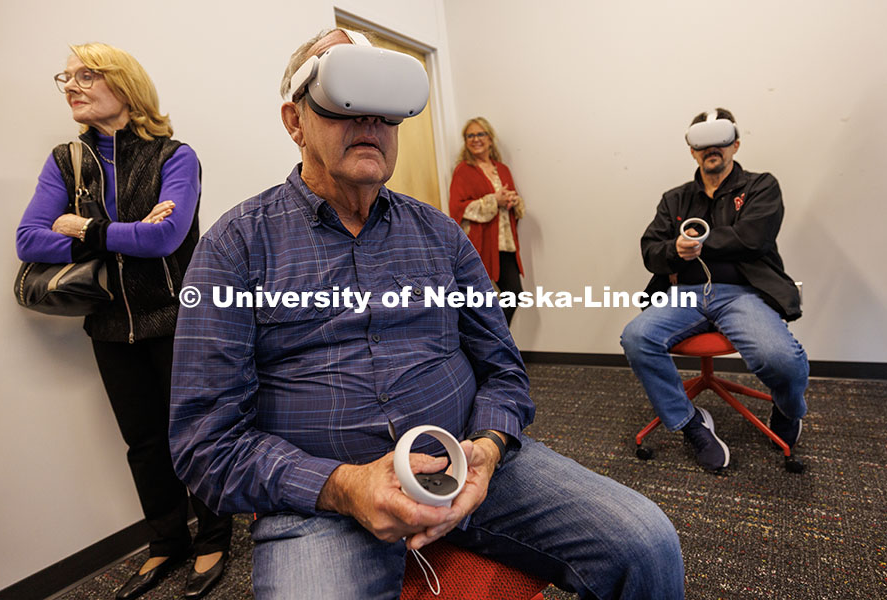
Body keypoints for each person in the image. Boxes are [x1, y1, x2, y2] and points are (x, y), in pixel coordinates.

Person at [168, 29, 684, 600]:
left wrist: (487, 450)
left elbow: (504, 370)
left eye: (386, 111)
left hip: (470, 463)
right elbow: (205, 441)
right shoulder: (235, 249)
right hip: (322, 503)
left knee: (647, 543)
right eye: (345, 101)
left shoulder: (440, 234)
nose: (370, 123)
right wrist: (343, 486)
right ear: (295, 121)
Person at [16, 43, 231, 600]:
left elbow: (167, 236)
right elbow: (28, 238)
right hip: (110, 326)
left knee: (196, 433)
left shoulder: (174, 157)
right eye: (67, 76)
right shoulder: (66, 161)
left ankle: (213, 536)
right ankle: (166, 543)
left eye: (87, 75)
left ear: (125, 85)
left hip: (178, 319)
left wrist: (83, 227)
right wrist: (128, 231)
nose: (71, 85)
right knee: (142, 442)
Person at [621, 108, 809, 473]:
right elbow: (650, 250)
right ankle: (691, 424)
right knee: (636, 337)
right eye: (702, 143)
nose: (712, 149)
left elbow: (754, 238)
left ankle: (788, 411)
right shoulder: (674, 199)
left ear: (735, 144)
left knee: (781, 359)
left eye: (721, 141)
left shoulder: (761, 186)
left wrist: (701, 241)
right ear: (692, 151)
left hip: (742, 293)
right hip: (686, 294)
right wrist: (674, 250)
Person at [450, 117, 525, 325]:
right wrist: (493, 200)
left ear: (490, 139)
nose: (475, 139)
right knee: (479, 300)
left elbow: (511, 202)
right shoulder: (463, 171)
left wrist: (512, 201)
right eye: (470, 136)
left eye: (480, 134)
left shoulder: (502, 169)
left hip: (504, 244)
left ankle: (495, 342)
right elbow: (457, 208)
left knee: (514, 295)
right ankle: (488, 345)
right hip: (479, 244)